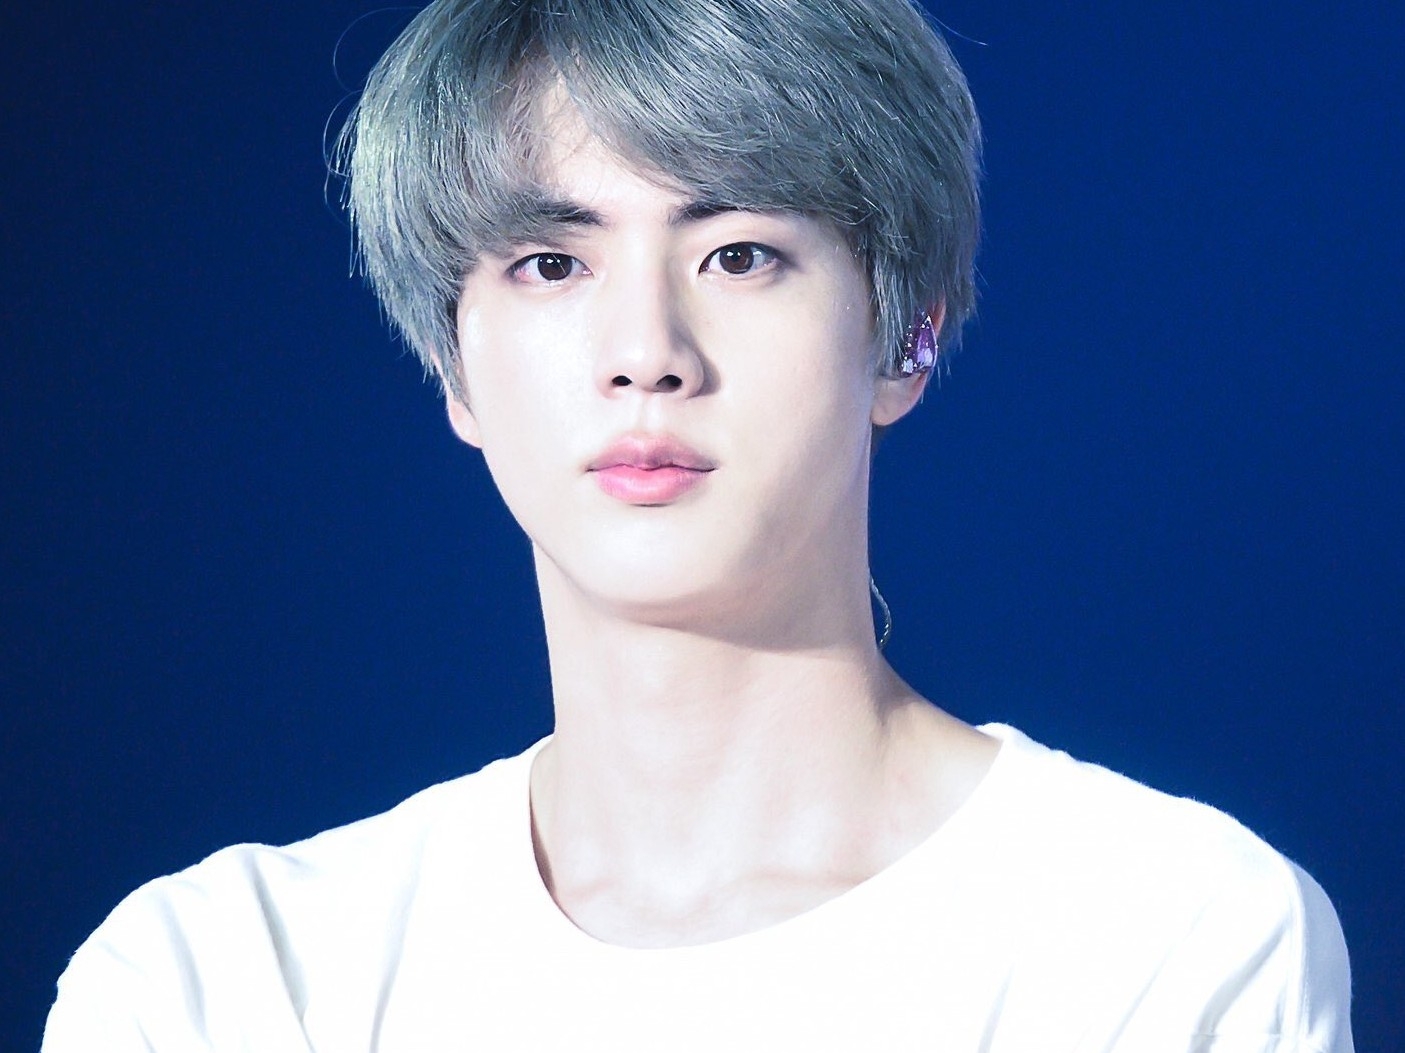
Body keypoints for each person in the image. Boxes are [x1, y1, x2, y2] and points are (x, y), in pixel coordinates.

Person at [43, 0, 1353, 1049]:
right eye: (552, 264)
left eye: (739, 254)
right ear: (453, 366)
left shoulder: (1166, 936)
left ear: (907, 334)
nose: (645, 352)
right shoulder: (222, 984)